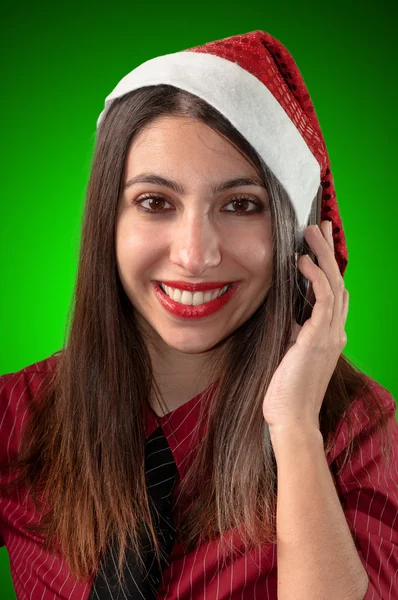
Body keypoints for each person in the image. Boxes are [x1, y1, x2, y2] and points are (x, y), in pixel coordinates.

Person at [0, 30, 397, 600]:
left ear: (301, 241)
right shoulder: (16, 414)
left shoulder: (357, 430)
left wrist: (294, 430)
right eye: (155, 203)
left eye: (240, 205)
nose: (194, 255)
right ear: (106, 222)